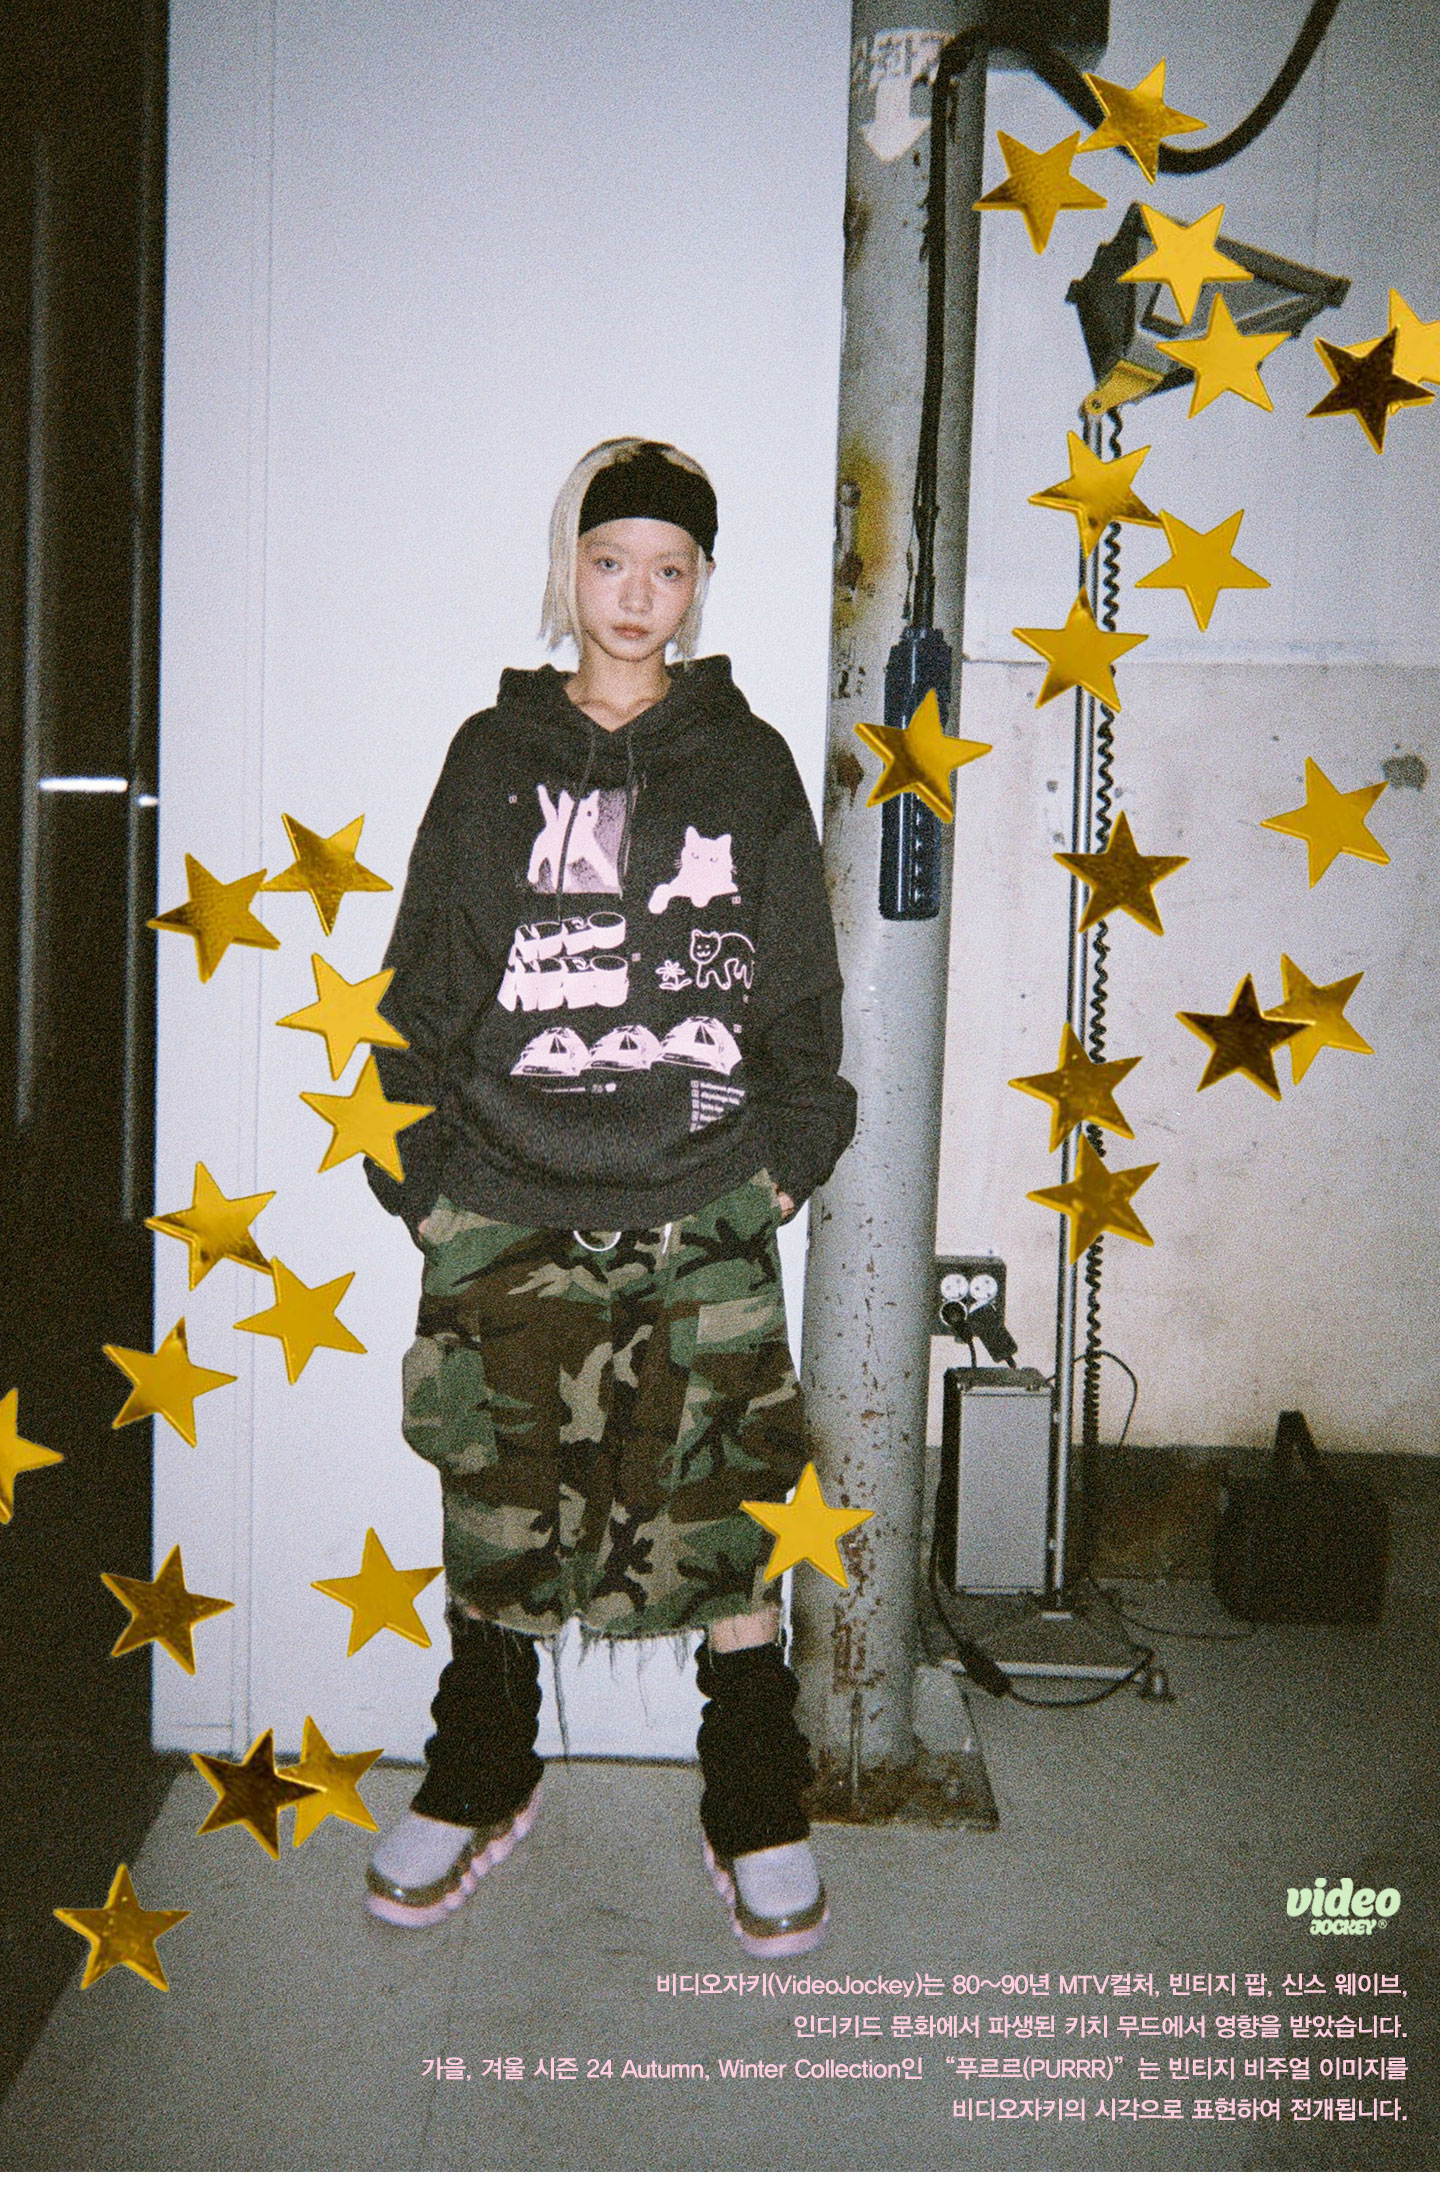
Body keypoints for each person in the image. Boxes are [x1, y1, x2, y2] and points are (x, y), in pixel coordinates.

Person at [360, 437, 856, 1956]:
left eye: (670, 568)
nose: (637, 595)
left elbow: (800, 980)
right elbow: (421, 980)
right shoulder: (491, 755)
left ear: (700, 585)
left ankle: (755, 1784)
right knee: (498, 1494)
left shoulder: (745, 762)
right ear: (568, 567)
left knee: (728, 1495)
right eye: (610, 560)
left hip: (702, 1196)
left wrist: (788, 1156)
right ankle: (482, 1758)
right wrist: (420, 1176)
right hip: (505, 1198)